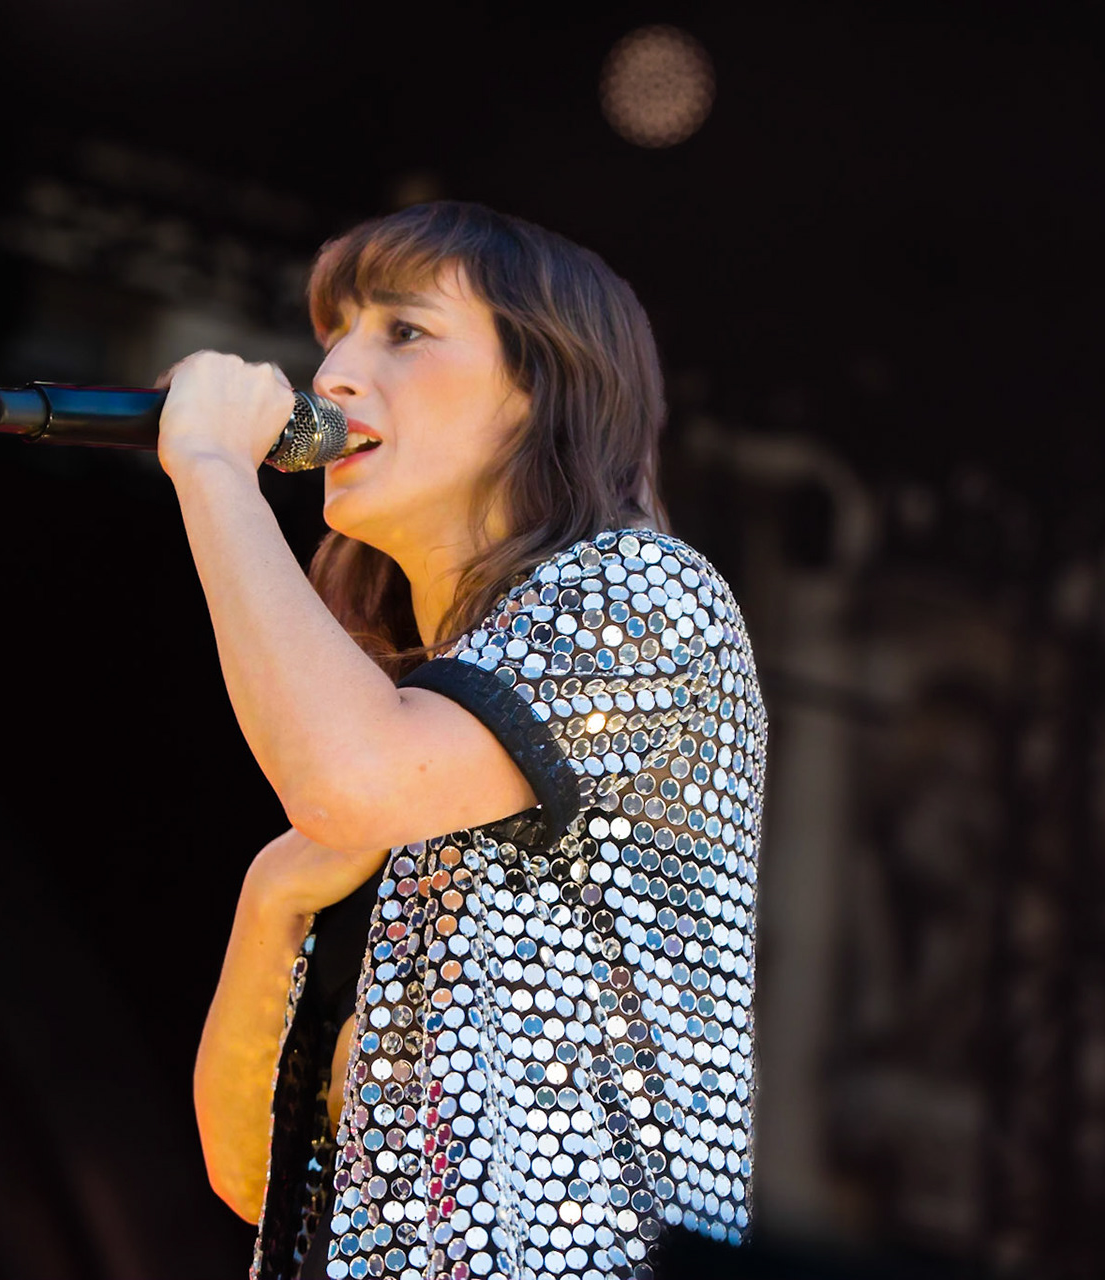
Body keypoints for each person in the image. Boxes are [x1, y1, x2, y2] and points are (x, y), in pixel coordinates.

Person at [169, 202, 767, 1280]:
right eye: (335, 338)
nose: (336, 374)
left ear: (542, 384)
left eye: (403, 331)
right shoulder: (407, 719)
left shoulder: (645, 595)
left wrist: (214, 469)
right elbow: (258, 1173)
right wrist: (271, 898)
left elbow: (352, 777)